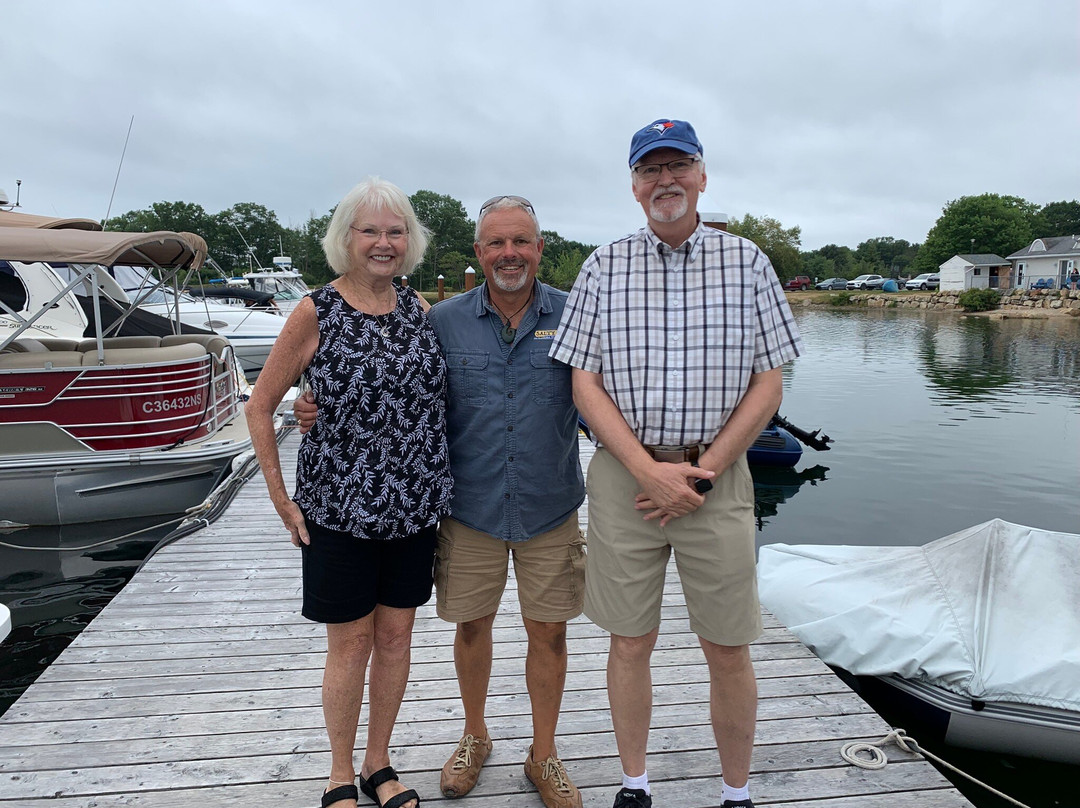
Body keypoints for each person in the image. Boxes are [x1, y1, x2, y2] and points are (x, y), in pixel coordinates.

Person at [296, 195, 586, 808]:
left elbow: (610, 393)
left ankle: (545, 753)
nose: (510, 254)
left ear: (540, 248)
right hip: (469, 506)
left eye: (522, 242)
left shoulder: (578, 315)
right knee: (472, 628)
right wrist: (310, 400)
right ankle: (473, 736)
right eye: (496, 244)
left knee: (550, 633)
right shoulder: (441, 320)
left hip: (550, 504)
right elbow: (384, 372)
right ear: (479, 253)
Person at [549, 119, 804, 808]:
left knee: (728, 645)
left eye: (678, 165)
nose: (665, 180)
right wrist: (646, 471)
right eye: (650, 170)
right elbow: (584, 384)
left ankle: (736, 792)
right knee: (630, 641)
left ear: (701, 175)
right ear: (634, 186)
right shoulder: (603, 266)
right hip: (624, 479)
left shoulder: (747, 262)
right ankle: (635, 784)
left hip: (715, 479)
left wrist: (707, 469)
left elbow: (769, 382)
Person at [246, 178, 453, 808]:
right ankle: (339, 772)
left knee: (396, 640)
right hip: (339, 508)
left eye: (395, 232)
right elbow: (259, 408)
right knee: (350, 643)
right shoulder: (316, 311)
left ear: (409, 242)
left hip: (414, 509)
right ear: (347, 239)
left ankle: (378, 763)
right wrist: (283, 501)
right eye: (370, 231)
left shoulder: (419, 311)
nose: (384, 243)